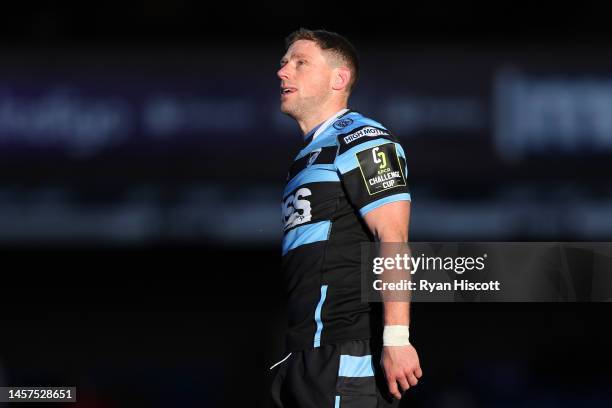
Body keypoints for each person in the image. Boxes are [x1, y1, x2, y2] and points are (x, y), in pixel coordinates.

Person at [270, 28, 422, 408]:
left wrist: (397, 340)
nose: (283, 72)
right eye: (285, 62)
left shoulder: (361, 138)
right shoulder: (306, 156)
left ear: (339, 78)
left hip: (346, 355)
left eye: (300, 63)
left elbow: (393, 237)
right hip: (303, 355)